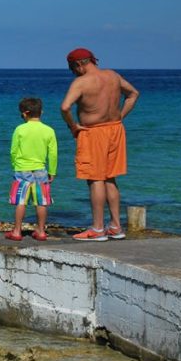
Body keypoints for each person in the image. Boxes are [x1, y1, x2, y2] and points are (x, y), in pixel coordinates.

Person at [60, 48, 140, 241]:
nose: (73, 72)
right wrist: (120, 116)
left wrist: (73, 126)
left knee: (95, 178)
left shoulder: (81, 82)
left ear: (79, 64)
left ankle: (97, 229)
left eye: (72, 68)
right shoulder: (112, 75)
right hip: (115, 129)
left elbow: (65, 107)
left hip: (93, 132)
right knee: (110, 178)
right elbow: (133, 94)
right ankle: (115, 226)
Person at [5, 97, 57, 242]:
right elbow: (52, 153)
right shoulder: (49, 130)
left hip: (22, 169)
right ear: (41, 112)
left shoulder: (20, 129)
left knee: (21, 201)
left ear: (25, 113)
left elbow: (13, 151)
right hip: (41, 169)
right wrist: (52, 171)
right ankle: (40, 231)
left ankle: (16, 231)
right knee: (41, 202)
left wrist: (15, 165)